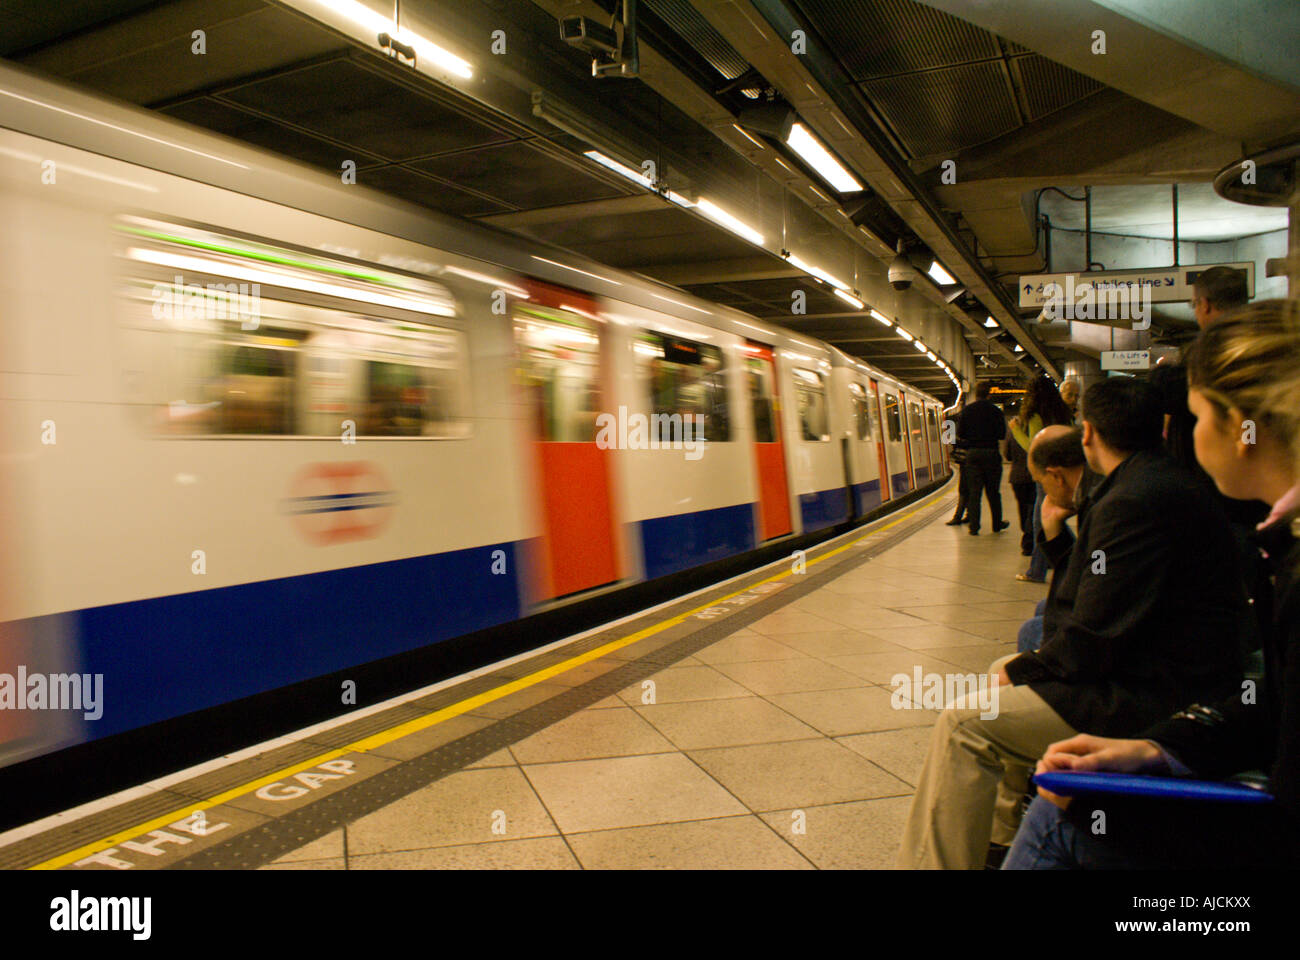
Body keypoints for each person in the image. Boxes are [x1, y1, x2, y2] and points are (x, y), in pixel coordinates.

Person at [896, 377, 1248, 870]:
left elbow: (1096, 634)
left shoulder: (1132, 500)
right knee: (1007, 672)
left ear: (1087, 435)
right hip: (1163, 669)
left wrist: (1025, 671)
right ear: (1165, 427)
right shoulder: (1152, 484)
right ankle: (998, 841)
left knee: (963, 724)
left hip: (1150, 691)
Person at [1005, 299, 1300, 869]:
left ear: (1242, 431)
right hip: (1217, 734)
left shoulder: (1285, 562)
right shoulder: (1279, 545)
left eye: (1196, 418)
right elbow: (1275, 703)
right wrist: (1154, 750)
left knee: (1059, 818)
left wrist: (1132, 804)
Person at [1014, 426, 1091, 654]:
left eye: (1041, 482)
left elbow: (1095, 576)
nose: (1045, 494)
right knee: (1044, 608)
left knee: (1031, 630)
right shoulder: (1096, 495)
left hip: (1117, 644)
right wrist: (1054, 528)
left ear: (1057, 476)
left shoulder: (1105, 508)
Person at [1011, 377, 1074, 582]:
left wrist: (1015, 430)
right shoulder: (1063, 413)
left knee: (1040, 521)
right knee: (1051, 519)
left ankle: (1037, 571)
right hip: (1064, 470)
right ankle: (1077, 560)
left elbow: (1033, 447)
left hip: (1045, 473)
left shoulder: (1035, 415)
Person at [956, 381, 1009, 536]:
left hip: (973, 454)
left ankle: (974, 527)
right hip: (991, 452)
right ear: (989, 394)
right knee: (993, 492)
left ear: (976, 394)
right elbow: (1001, 434)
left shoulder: (967, 411)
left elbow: (961, 433)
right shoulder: (996, 411)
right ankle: (997, 524)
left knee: (974, 493)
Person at [1003, 414, 1037, 554]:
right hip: (1033, 475)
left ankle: (1026, 535)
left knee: (1023, 508)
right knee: (1033, 508)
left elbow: (1007, 455)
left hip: (1017, 476)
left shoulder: (1013, 432)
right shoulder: (1036, 433)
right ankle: (1029, 541)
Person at [1191, 264, 1249, 330]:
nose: (1195, 313)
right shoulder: (1258, 333)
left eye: (1194, 304)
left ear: (1205, 305)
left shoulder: (1214, 339)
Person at [945, 399, 970, 526]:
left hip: (965, 460)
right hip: (978, 458)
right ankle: (970, 516)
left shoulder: (954, 421)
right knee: (976, 491)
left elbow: (951, 440)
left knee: (964, 489)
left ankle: (959, 516)